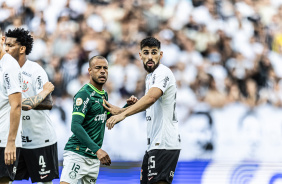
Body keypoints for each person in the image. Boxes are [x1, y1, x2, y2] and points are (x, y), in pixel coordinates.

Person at [104, 37, 181, 184]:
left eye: (154, 52)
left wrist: (124, 115)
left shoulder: (162, 72)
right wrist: (121, 110)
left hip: (164, 143)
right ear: (140, 55)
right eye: (146, 52)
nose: (150, 56)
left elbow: (151, 98)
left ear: (161, 55)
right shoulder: (150, 76)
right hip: (154, 144)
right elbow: (152, 104)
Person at [60, 55, 137, 184]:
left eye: (105, 68)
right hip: (77, 154)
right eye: (98, 68)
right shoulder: (84, 94)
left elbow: (107, 119)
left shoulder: (103, 94)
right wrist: (98, 150)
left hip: (93, 158)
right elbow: (75, 126)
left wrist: (127, 107)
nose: (102, 71)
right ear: (89, 71)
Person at [4, 28, 58, 184]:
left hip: (39, 139)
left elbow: (47, 102)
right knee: (4, 179)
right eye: (5, 45)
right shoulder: (4, 71)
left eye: (10, 45)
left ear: (22, 49)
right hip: (14, 140)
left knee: (44, 182)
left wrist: (22, 104)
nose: (6, 49)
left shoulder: (35, 71)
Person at [0, 31, 22, 184]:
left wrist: (11, 142)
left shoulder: (9, 67)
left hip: (4, 139)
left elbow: (16, 105)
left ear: (2, 39)